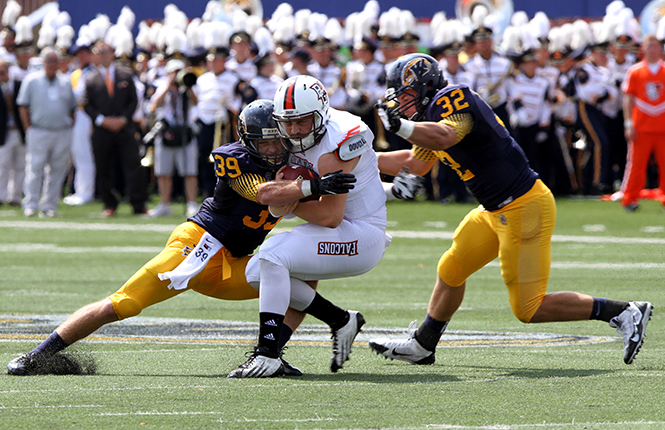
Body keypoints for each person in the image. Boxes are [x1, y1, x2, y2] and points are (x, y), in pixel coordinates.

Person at [6, 100, 356, 376]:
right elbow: (261, 192)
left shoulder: (298, 162)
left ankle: (274, 354)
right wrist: (310, 185)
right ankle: (37, 355)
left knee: (303, 267)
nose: (273, 150)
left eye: (277, 141)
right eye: (264, 144)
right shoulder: (231, 157)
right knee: (124, 303)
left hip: (235, 263)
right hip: (197, 246)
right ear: (248, 141)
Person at [369, 53, 652, 367]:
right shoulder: (428, 119)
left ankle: (624, 311)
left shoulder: (452, 99)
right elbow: (417, 162)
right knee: (452, 269)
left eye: (406, 95)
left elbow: (447, 135)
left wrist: (401, 125)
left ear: (425, 86)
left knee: (529, 308)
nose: (402, 103)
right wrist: (361, 157)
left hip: (523, 207)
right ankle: (424, 343)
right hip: (493, 210)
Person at [228, 75, 392, 378]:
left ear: (321, 113)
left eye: (302, 121)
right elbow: (277, 206)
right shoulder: (287, 140)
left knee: (273, 253)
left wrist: (293, 195)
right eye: (287, 122)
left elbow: (330, 216)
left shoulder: (339, 142)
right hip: (336, 228)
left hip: (362, 235)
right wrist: (297, 193)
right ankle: (340, 320)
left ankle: (267, 353)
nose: (294, 130)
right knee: (256, 271)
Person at [83, 40, 147, 217]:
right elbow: (87, 105)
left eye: (106, 51)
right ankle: (109, 204)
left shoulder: (126, 74)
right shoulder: (90, 78)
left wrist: (123, 119)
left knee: (133, 164)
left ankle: (138, 203)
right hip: (102, 130)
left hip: (124, 128)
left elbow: (133, 100)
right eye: (100, 52)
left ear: (112, 53)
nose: (103, 55)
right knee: (104, 168)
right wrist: (102, 120)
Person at [17, 47, 76, 218]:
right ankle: (31, 203)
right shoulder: (32, 80)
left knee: (57, 170)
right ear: (43, 62)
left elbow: (73, 108)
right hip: (39, 130)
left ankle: (49, 205)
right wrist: (29, 127)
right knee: (35, 168)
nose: (52, 64)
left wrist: (68, 125)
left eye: (55, 60)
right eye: (49, 60)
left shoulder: (65, 81)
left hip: (61, 131)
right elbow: (23, 106)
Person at [147, 58, 200, 218]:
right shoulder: (161, 86)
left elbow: (196, 102)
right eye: (174, 72)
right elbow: (155, 104)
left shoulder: (189, 86)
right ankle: (164, 203)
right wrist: (168, 86)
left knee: (190, 171)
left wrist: (188, 87)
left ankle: (191, 203)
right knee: (163, 172)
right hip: (166, 132)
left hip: (185, 132)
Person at [621, 34, 665, 212]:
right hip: (641, 126)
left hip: (662, 126)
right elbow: (627, 98)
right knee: (636, 165)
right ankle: (630, 198)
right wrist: (628, 123)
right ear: (643, 49)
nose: (653, 49)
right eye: (649, 46)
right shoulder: (635, 71)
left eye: (656, 46)